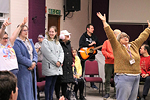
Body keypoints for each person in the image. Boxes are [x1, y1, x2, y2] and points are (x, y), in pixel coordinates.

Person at [97, 12, 150, 100]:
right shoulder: (117, 47)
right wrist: (104, 22)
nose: (126, 38)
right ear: (119, 40)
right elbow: (110, 35)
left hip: (136, 76)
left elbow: (142, 37)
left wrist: (148, 28)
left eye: (127, 36)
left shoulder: (133, 45)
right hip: (124, 77)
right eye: (122, 37)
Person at [13, 23, 38, 100]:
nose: (26, 32)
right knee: (24, 92)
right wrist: (30, 63)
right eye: (24, 30)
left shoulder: (30, 41)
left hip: (32, 69)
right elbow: (19, 57)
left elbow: (35, 54)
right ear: (20, 31)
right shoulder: (16, 42)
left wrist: (34, 62)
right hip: (23, 70)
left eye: (27, 30)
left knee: (32, 90)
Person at [41, 26, 64, 100]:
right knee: (48, 84)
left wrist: (60, 61)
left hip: (57, 67)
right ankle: (47, 98)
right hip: (49, 66)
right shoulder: (45, 41)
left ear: (56, 33)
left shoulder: (57, 42)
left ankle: (51, 98)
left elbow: (61, 52)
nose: (51, 33)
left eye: (52, 32)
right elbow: (48, 53)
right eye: (50, 31)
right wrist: (56, 62)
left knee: (53, 84)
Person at [79, 24, 101, 89]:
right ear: (87, 29)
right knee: (82, 68)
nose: (93, 30)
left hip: (92, 55)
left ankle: (92, 84)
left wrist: (104, 45)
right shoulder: (83, 36)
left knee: (92, 70)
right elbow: (81, 45)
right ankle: (80, 81)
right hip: (84, 55)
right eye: (91, 28)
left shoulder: (94, 37)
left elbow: (98, 44)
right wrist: (89, 44)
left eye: (93, 28)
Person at [55, 30, 74, 99]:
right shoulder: (58, 44)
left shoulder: (69, 44)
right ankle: (58, 96)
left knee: (65, 82)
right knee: (58, 82)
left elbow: (71, 53)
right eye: (67, 35)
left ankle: (64, 96)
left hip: (68, 65)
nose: (68, 37)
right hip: (61, 66)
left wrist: (72, 61)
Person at [102, 29, 121, 99]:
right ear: (115, 35)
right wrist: (111, 56)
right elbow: (103, 51)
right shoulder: (107, 42)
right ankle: (107, 93)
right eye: (119, 34)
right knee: (107, 79)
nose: (120, 36)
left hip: (117, 64)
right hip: (108, 63)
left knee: (117, 79)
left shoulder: (119, 43)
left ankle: (116, 93)